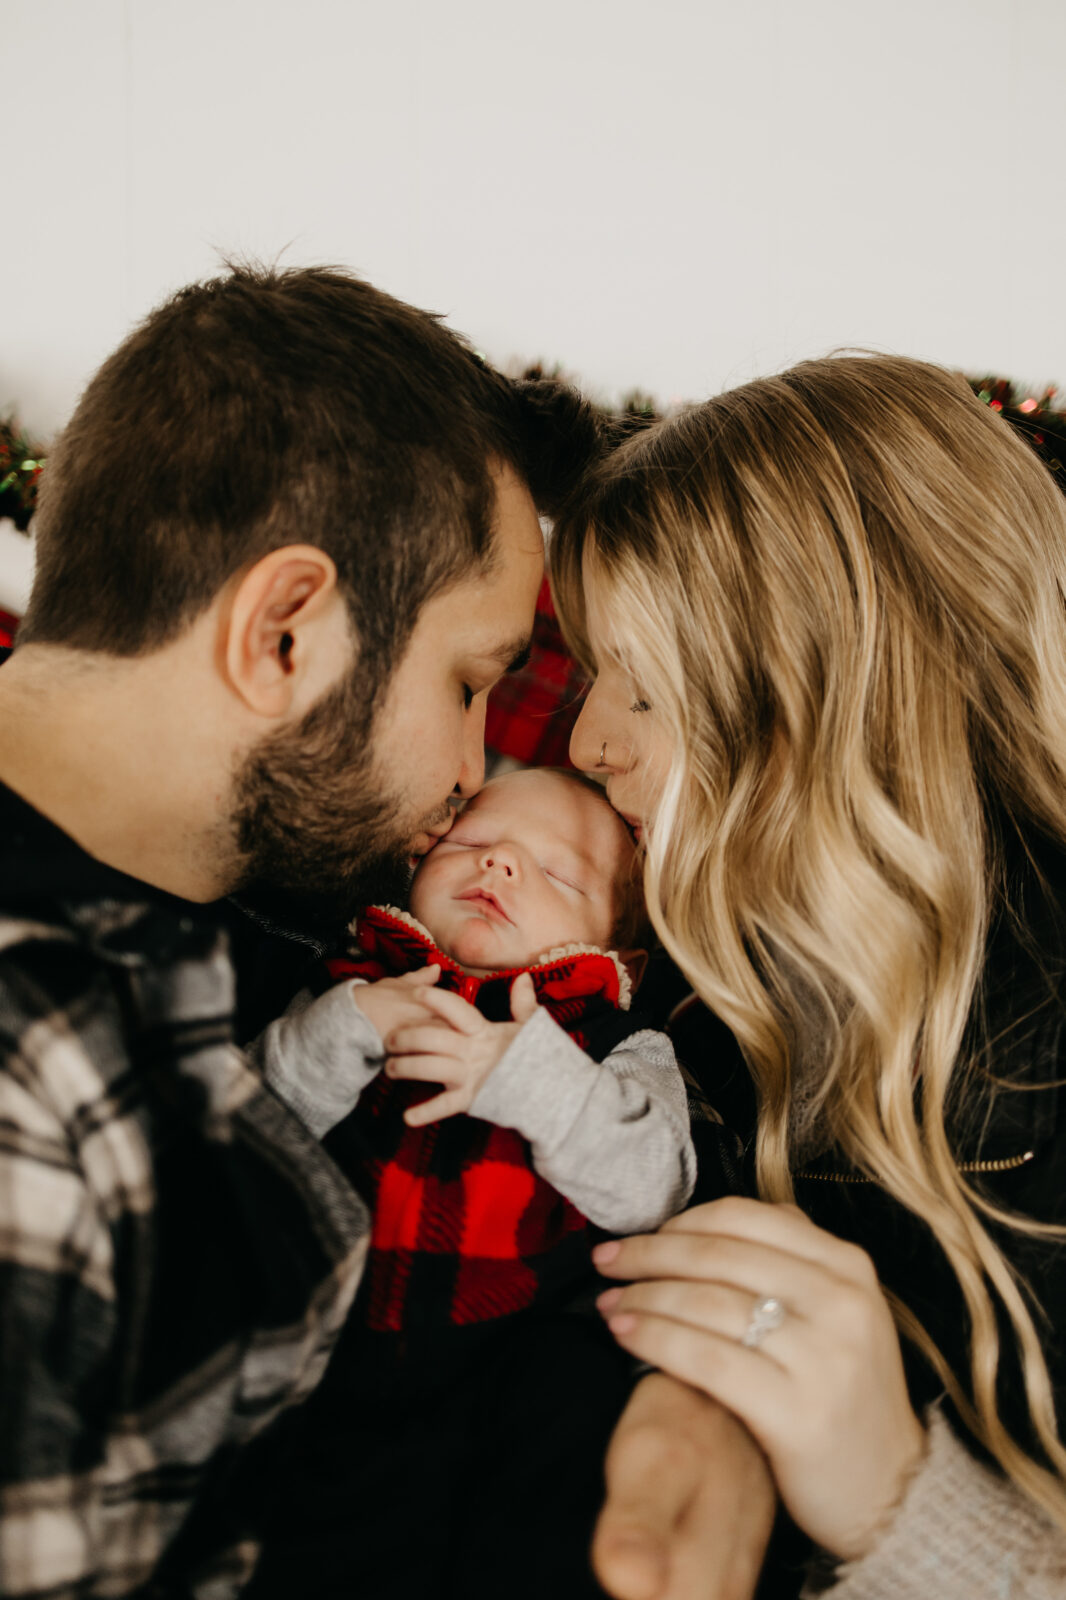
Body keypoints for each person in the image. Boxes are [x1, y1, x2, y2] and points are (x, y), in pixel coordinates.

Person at [0, 261, 776, 1600]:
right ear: (284, 632)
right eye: (470, 683)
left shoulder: (214, 922)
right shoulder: (38, 1083)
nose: (483, 773)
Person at [549, 351, 1066, 1597]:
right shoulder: (699, 1008)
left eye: (644, 686)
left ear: (839, 694)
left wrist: (907, 1500)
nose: (584, 741)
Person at [242, 765, 696, 1596]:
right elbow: (229, 1139)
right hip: (291, 1358)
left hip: (487, 1379)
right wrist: (341, 1032)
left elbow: (653, 1188)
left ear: (619, 956)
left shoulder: (613, 1043)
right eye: (474, 842)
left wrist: (530, 1076)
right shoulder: (350, 983)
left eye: (558, 873)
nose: (500, 866)